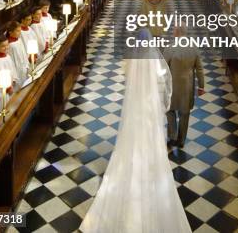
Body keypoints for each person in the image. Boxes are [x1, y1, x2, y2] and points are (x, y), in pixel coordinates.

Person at [80, 29, 191, 233]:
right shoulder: (154, 61)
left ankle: (131, 167)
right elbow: (164, 81)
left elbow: (128, 77)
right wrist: (161, 104)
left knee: (130, 141)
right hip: (149, 108)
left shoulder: (130, 60)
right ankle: (149, 167)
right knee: (150, 139)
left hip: (133, 109)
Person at [164, 26, 205, 148]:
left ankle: (173, 136)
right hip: (188, 86)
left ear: (177, 32)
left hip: (172, 85)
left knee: (170, 110)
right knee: (184, 113)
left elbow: (163, 68)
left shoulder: (170, 48)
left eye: (174, 30)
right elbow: (199, 68)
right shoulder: (194, 47)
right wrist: (201, 87)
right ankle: (181, 140)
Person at [0, 35, 18, 105]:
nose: (6, 47)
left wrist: (13, 80)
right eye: (3, 46)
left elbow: (12, 70)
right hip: (3, 92)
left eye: (7, 45)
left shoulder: (7, 56)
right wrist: (8, 88)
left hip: (11, 87)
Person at [6, 21, 29, 86]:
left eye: (20, 30)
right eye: (17, 31)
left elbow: (24, 54)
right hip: (17, 71)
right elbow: (12, 62)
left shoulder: (18, 40)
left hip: (23, 69)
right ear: (10, 32)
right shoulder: (10, 45)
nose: (20, 33)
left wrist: (26, 65)